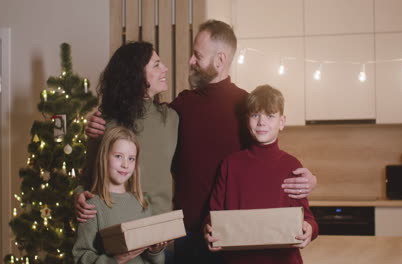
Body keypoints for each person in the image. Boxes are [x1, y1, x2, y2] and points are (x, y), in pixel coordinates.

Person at [83, 20, 317, 263]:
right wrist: (97, 124)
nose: (190, 61)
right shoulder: (179, 108)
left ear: (219, 60)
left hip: (236, 238)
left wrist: (308, 179)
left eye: (197, 55)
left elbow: (269, 159)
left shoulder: (249, 107)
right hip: (186, 235)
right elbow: (136, 129)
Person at [203, 85, 318, 264]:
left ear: (282, 122)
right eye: (255, 115)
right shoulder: (230, 164)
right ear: (246, 119)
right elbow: (214, 214)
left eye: (270, 116)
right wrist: (208, 230)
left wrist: (310, 228)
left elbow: (307, 216)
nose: (261, 122)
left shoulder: (292, 166)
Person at [76, 41, 179, 222]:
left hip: (162, 233)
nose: (165, 69)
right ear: (137, 75)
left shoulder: (171, 118)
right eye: (156, 65)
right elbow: (87, 177)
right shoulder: (105, 122)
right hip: (120, 229)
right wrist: (78, 196)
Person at [73, 127, 168, 264]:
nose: (125, 164)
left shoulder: (142, 203)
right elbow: (80, 257)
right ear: (104, 157)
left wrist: (155, 252)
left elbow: (154, 261)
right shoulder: (92, 205)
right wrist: (116, 260)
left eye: (131, 159)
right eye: (118, 156)